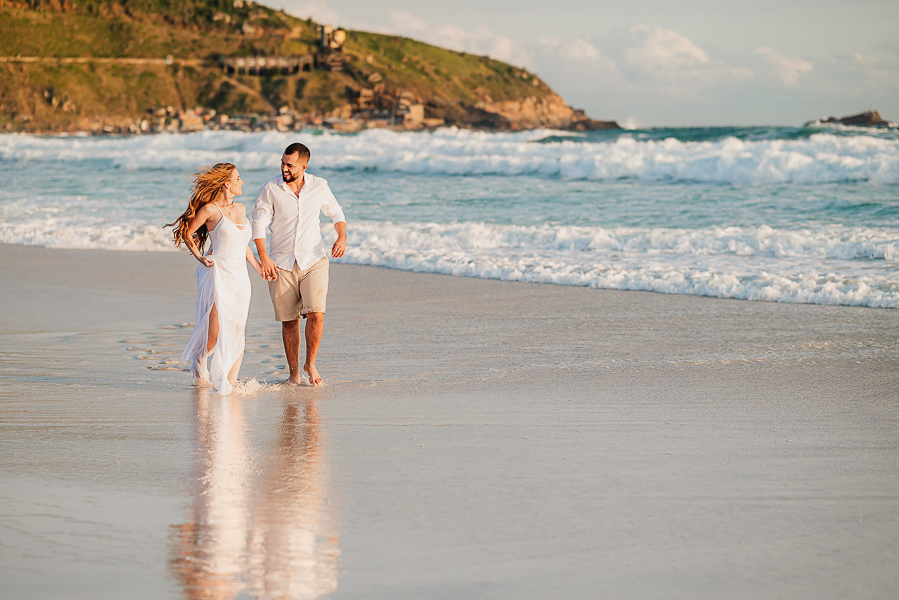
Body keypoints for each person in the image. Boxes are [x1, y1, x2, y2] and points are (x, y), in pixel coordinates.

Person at [252, 143, 347, 386]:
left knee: (317, 313)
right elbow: (259, 224)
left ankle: (310, 363)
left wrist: (342, 236)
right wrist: (263, 256)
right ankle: (294, 374)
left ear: (304, 166)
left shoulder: (319, 186)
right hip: (281, 263)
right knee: (289, 320)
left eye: (290, 165)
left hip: (313, 260)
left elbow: (336, 213)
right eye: (283, 163)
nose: (284, 168)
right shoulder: (271, 189)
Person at [168, 163, 264, 395]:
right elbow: (186, 233)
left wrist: (260, 268)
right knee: (216, 332)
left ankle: (228, 383)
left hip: (240, 277)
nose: (242, 182)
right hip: (218, 273)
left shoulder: (240, 207)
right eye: (238, 178)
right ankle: (200, 358)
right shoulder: (210, 210)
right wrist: (200, 257)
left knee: (238, 328)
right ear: (226, 184)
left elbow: (243, 246)